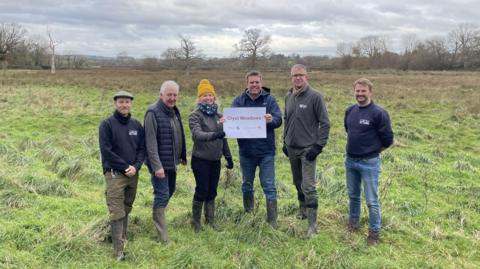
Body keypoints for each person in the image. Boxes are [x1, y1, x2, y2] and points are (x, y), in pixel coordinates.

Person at [344, 78, 394, 246]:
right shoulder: (350, 111)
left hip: (369, 163)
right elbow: (348, 130)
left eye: (363, 91)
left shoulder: (379, 113)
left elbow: (388, 140)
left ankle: (374, 232)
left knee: (372, 200)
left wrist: (373, 151)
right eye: (357, 91)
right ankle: (353, 223)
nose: (360, 94)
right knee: (353, 195)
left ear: (370, 92)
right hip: (350, 161)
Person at [283, 64, 330, 238]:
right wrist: (284, 140)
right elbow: (287, 119)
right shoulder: (288, 96)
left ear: (306, 77)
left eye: (301, 75)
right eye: (294, 75)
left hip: (308, 149)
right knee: (297, 182)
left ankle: (312, 225)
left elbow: (325, 123)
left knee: (309, 186)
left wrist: (318, 146)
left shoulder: (315, 97)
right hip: (291, 147)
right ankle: (302, 210)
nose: (298, 78)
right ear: (291, 78)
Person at [231, 71, 282, 228]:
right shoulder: (239, 101)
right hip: (246, 152)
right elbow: (232, 120)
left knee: (269, 185)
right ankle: (249, 213)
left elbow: (279, 119)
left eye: (257, 82)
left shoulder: (269, 100)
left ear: (261, 83)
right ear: (247, 84)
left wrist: (271, 120)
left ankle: (272, 221)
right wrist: (227, 122)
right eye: (251, 82)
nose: (254, 85)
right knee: (247, 184)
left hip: (266, 151)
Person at [99, 90, 145, 260]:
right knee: (117, 211)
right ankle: (118, 251)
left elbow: (142, 149)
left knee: (127, 207)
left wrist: (136, 166)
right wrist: (125, 167)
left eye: (127, 102)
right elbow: (106, 151)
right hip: (115, 174)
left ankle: (122, 239)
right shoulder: (107, 125)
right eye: (121, 102)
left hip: (133, 174)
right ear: (115, 104)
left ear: (131, 104)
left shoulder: (136, 125)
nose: (124, 105)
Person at [144, 80, 187, 243]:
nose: (172, 98)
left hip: (171, 162)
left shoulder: (174, 111)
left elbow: (179, 134)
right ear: (161, 94)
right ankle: (163, 238)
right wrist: (157, 166)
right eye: (169, 94)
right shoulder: (152, 112)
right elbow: (150, 143)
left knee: (171, 190)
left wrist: (182, 155)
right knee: (162, 195)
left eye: (175, 95)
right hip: (159, 165)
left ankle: (157, 216)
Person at [189, 79, 234, 232]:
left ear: (214, 97)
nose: (208, 98)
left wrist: (228, 157)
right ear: (199, 98)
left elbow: (224, 137)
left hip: (215, 160)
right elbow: (197, 134)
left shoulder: (220, 116)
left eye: (210, 95)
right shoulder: (195, 116)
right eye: (204, 95)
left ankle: (210, 220)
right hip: (200, 159)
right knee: (201, 190)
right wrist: (214, 134)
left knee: (212, 191)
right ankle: (196, 222)